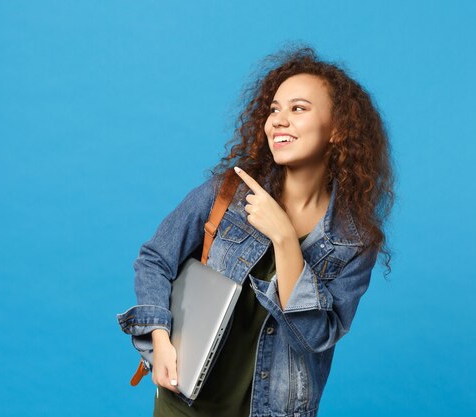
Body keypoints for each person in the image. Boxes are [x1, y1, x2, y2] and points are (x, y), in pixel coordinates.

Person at [117, 44, 394, 417]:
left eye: (298, 109)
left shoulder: (355, 241)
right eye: (274, 109)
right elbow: (155, 258)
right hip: (185, 402)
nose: (278, 120)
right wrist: (160, 339)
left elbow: (318, 336)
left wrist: (284, 238)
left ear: (337, 130)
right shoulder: (227, 193)